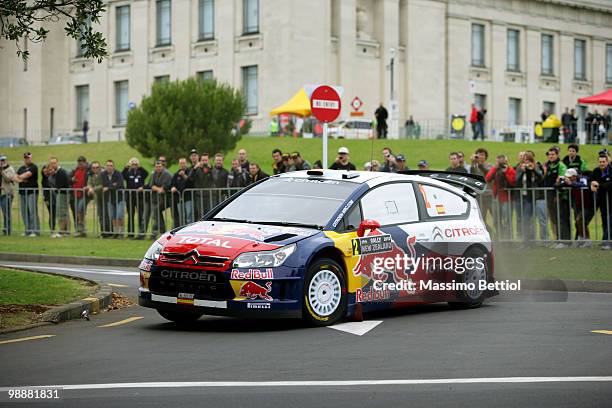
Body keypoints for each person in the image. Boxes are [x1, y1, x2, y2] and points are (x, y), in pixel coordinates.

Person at [543, 148, 570, 248]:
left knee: (561, 218)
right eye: (549, 154)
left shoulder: (561, 165)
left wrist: (558, 195)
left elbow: (561, 181)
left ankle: (565, 241)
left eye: (553, 154)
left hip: (559, 196)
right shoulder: (548, 166)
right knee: (554, 219)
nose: (551, 156)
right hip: (549, 196)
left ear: (557, 155)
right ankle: (558, 240)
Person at [515, 152, 544, 244]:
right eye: (525, 160)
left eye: (528, 160)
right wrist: (522, 172)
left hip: (530, 197)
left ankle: (527, 241)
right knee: (521, 218)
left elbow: (541, 179)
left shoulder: (536, 166)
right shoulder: (520, 168)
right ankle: (527, 240)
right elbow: (516, 181)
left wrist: (534, 170)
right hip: (521, 197)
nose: (526, 162)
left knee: (527, 218)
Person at [485, 155, 516, 240]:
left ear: (506, 160)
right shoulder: (495, 169)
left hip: (507, 199)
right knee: (496, 219)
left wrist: (506, 172)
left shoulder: (510, 170)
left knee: (507, 220)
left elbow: (512, 182)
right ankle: (500, 237)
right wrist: (495, 168)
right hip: (496, 198)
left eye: (503, 161)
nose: (501, 163)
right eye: (499, 161)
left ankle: (508, 238)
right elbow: (487, 179)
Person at [563, 168, 594, 247]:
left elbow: (583, 185)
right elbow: (556, 186)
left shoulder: (583, 178)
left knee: (580, 220)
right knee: (579, 221)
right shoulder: (571, 181)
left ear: (574, 176)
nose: (568, 178)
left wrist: (571, 183)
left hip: (589, 204)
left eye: (570, 177)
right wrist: (559, 182)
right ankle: (582, 239)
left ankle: (587, 240)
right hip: (580, 205)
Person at [122, 157, 148, 239]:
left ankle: (141, 233)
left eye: (136, 164)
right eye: (133, 164)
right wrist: (126, 168)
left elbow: (146, 173)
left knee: (141, 214)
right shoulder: (128, 172)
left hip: (140, 197)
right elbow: (122, 176)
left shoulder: (141, 172)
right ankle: (130, 233)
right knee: (130, 215)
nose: (134, 166)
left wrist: (140, 166)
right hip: (130, 197)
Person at [590, 154, 612, 250]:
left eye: (603, 162)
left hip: (611, 200)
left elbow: (610, 184)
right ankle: (605, 241)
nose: (602, 163)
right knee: (604, 221)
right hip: (602, 201)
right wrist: (591, 184)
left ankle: (608, 242)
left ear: (607, 162)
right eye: (600, 162)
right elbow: (590, 180)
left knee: (610, 221)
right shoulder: (596, 171)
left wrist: (599, 185)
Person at [146, 160, 172, 239]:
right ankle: (161, 231)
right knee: (156, 213)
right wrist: (158, 188)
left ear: (163, 166)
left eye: (159, 166)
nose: (158, 168)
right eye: (156, 167)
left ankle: (163, 231)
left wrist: (157, 188)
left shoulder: (166, 174)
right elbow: (151, 185)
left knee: (157, 211)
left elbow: (164, 188)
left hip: (168, 198)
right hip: (157, 198)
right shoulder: (154, 174)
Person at [16, 152, 40, 236]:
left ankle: (35, 231)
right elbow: (15, 178)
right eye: (26, 158)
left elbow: (26, 175)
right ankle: (28, 230)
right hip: (22, 192)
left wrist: (21, 177)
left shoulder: (34, 167)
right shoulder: (21, 168)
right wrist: (21, 178)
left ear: (31, 158)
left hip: (32, 192)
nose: (27, 159)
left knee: (32, 211)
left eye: (29, 158)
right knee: (24, 212)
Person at [100, 159, 125, 238]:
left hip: (119, 198)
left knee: (119, 216)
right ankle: (115, 232)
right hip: (110, 199)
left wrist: (109, 187)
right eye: (107, 165)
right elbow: (105, 183)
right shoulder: (103, 174)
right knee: (112, 216)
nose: (109, 167)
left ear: (113, 167)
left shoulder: (118, 174)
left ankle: (121, 233)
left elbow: (120, 184)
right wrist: (113, 185)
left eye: (111, 165)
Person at [470, 148, 493, 231]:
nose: (480, 156)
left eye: (482, 155)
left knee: (495, 217)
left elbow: (487, 172)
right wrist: (473, 163)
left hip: (489, 195)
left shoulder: (490, 165)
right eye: (479, 155)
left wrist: (479, 164)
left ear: (486, 156)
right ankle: (489, 232)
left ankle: (500, 235)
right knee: (481, 218)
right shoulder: (474, 166)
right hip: (480, 196)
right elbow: (472, 176)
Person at [47, 157, 71, 237]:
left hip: (63, 194)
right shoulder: (58, 172)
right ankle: (66, 231)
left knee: (62, 213)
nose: (53, 164)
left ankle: (62, 231)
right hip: (61, 194)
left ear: (57, 163)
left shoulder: (61, 172)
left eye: (54, 163)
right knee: (63, 213)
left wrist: (55, 188)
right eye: (51, 163)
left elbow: (61, 185)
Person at [86, 161, 108, 237]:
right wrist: (89, 188)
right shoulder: (91, 174)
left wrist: (93, 189)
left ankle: (108, 232)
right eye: (93, 167)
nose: (95, 169)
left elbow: (102, 185)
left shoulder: (103, 174)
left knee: (107, 215)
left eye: (97, 167)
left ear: (99, 167)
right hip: (97, 198)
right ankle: (103, 232)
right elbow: (89, 183)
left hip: (105, 197)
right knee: (100, 215)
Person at [188, 153, 213, 219]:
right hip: (199, 196)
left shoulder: (211, 169)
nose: (204, 162)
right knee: (200, 215)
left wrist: (211, 169)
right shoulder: (197, 169)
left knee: (210, 214)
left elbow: (215, 179)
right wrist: (195, 168)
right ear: (200, 160)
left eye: (206, 160)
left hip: (209, 196)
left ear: (208, 161)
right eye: (203, 160)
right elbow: (190, 179)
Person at [70, 156, 89, 237]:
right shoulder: (75, 170)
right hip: (75, 194)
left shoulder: (88, 170)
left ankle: (81, 227)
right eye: (79, 162)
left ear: (85, 162)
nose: (80, 163)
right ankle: (81, 230)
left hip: (84, 194)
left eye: (81, 162)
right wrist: (72, 179)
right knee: (78, 211)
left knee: (80, 209)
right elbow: (68, 178)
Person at [0, 154, 19, 235]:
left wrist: (2, 171)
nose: (2, 162)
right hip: (1, 194)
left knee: (6, 212)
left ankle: (8, 229)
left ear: (6, 160)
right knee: (4, 213)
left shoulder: (10, 168)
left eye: (3, 160)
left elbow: (8, 179)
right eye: (1, 160)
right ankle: (5, 229)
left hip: (6, 193)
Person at [170, 158, 190, 228]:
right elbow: (172, 183)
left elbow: (191, 182)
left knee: (189, 216)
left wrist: (184, 176)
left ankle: (189, 231)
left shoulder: (189, 171)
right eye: (181, 163)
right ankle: (182, 231)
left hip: (188, 198)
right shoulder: (176, 174)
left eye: (184, 163)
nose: (182, 165)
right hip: (179, 199)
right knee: (181, 217)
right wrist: (172, 187)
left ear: (186, 163)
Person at [41, 163, 56, 236]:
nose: (45, 173)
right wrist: (46, 200)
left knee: (54, 214)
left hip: (54, 197)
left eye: (46, 171)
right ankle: (52, 231)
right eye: (44, 172)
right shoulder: (44, 180)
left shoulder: (52, 177)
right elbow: (45, 191)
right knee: (52, 214)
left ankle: (54, 231)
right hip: (49, 199)